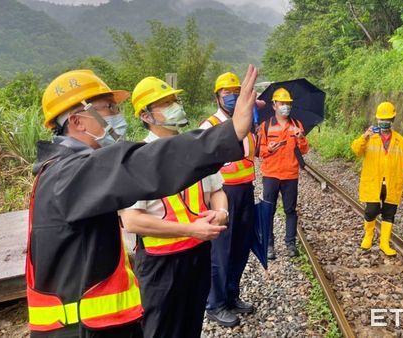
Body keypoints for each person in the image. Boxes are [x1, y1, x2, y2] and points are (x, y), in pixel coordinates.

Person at [26, 66, 259, 338]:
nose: (117, 115)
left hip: (94, 326)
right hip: (82, 330)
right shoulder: (67, 175)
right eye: (109, 108)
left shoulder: (66, 171)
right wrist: (230, 132)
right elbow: (143, 166)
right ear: (78, 121)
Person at [120, 76, 229, 338]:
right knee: (161, 329)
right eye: (166, 103)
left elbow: (217, 190)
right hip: (161, 265)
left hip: (198, 255)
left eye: (174, 101)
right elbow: (133, 221)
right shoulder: (138, 159)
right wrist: (190, 229)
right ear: (146, 116)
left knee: (192, 323)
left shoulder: (196, 148)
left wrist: (222, 213)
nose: (175, 107)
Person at [199, 72, 256, 327]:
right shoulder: (209, 126)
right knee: (221, 252)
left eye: (236, 92)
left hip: (245, 190)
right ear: (217, 96)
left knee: (240, 248)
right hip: (223, 195)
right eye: (227, 93)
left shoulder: (246, 122)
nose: (232, 97)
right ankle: (216, 304)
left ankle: (232, 296)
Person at [350, 101, 403, 256]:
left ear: (393, 120)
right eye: (381, 120)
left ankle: (384, 243)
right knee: (371, 210)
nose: (384, 123)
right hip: (374, 181)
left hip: (392, 182)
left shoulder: (399, 141)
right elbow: (356, 150)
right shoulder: (370, 137)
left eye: (388, 120)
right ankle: (368, 236)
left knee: (389, 212)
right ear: (377, 120)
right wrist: (364, 137)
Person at [257, 88, 309, 259]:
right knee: (268, 210)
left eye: (287, 103)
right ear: (274, 105)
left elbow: (304, 150)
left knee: (290, 210)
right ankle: (269, 245)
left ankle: (290, 243)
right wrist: (268, 149)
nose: (285, 106)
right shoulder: (265, 126)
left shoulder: (297, 124)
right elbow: (259, 151)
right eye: (282, 103)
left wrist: (301, 137)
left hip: (290, 175)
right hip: (271, 174)